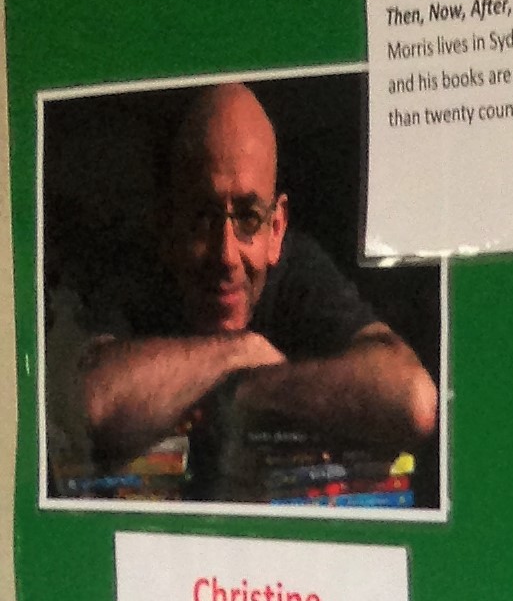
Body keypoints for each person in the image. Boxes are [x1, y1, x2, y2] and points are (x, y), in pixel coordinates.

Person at [75, 81, 437, 497]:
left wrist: (245, 392)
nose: (226, 255)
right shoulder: (136, 268)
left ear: (276, 228)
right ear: (168, 223)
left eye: (248, 217)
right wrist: (240, 352)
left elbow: (412, 401)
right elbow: (87, 406)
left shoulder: (298, 270)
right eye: (203, 217)